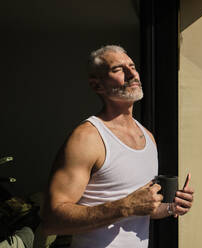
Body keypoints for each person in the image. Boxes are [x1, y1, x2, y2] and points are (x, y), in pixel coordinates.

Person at [41, 45, 194, 248]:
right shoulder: (88, 137)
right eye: (118, 69)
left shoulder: (147, 137)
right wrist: (125, 207)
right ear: (97, 86)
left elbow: (140, 209)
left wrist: (170, 207)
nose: (132, 74)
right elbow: (52, 221)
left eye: (132, 66)